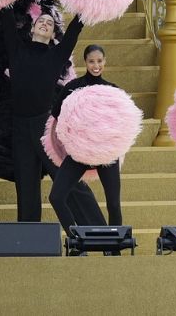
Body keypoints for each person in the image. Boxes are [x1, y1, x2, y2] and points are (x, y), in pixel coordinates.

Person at [0, 9, 105, 225]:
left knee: (70, 181)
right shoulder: (16, 49)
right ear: (32, 29)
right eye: (41, 21)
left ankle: (99, 233)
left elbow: (75, 31)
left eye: (50, 23)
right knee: (26, 186)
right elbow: (6, 17)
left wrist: (85, 6)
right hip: (19, 127)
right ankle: (29, 238)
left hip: (45, 127)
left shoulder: (56, 54)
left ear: (52, 35)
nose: (45, 24)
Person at [48, 45, 123, 230]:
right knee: (56, 197)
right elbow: (57, 114)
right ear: (85, 63)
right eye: (91, 61)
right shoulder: (73, 87)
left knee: (113, 203)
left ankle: (113, 250)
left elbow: (122, 122)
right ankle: (76, 241)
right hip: (79, 152)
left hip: (106, 153)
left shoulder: (113, 89)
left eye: (99, 61)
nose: (95, 65)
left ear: (105, 62)